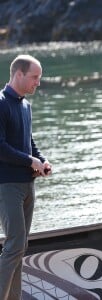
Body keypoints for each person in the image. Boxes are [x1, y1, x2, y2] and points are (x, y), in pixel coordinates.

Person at [0, 54, 52, 300]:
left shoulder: (25, 105)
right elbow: (0, 147)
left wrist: (41, 160)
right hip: (7, 185)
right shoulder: (0, 103)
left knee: (20, 248)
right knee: (14, 246)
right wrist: (29, 160)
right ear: (18, 74)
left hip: (28, 184)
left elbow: (28, 142)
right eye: (34, 77)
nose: (38, 83)